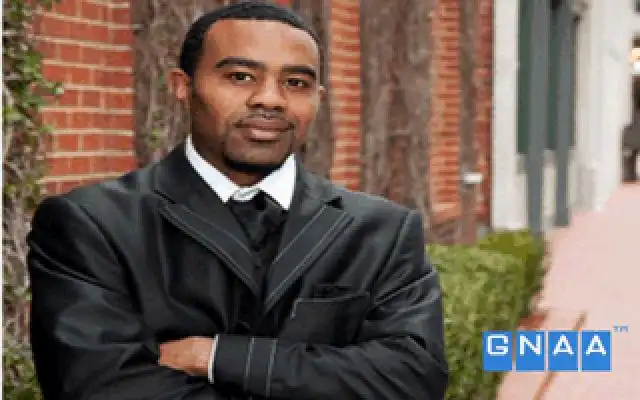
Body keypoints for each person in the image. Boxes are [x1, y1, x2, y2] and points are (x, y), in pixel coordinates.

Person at [26, 2, 449, 399]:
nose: (270, 99)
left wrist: (215, 356)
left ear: (318, 98)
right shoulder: (94, 225)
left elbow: (412, 377)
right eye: (241, 77)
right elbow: (99, 386)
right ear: (183, 87)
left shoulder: (381, 232)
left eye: (295, 83)